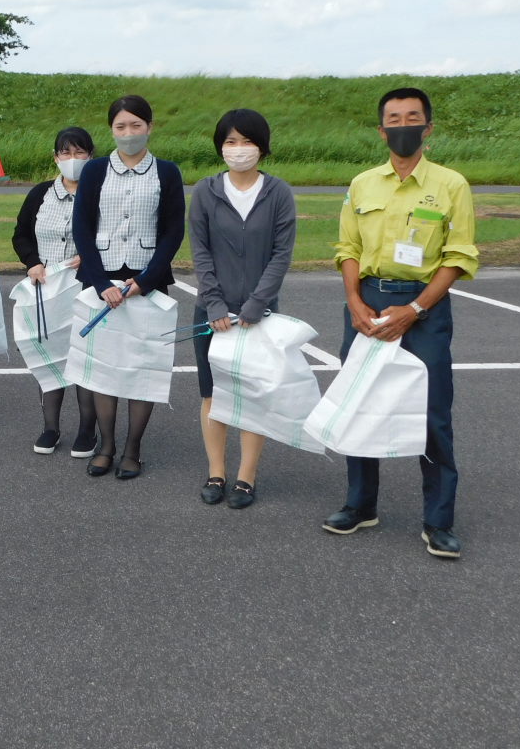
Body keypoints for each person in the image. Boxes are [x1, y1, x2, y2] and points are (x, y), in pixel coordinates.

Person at [324, 87, 477, 560]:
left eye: (413, 117)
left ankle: (438, 521)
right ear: (382, 129)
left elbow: (458, 256)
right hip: (368, 302)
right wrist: (353, 300)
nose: (403, 125)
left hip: (422, 308)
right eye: (394, 118)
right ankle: (360, 505)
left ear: (427, 128)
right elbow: (347, 249)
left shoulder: (451, 185)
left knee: (432, 414)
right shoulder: (362, 184)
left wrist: (416, 310)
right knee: (361, 403)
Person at [187, 109, 297, 509]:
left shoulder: (279, 193)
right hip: (210, 312)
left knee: (253, 393)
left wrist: (255, 305)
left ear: (262, 147)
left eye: (246, 141)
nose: (238, 149)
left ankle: (246, 478)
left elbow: (281, 255)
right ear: (220, 147)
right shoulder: (205, 191)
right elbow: (200, 252)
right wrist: (214, 302)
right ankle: (216, 472)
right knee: (213, 394)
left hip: (259, 316)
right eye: (230, 141)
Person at [72, 95, 185, 479]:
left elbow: (173, 230)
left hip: (148, 282)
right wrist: (101, 281)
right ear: (112, 130)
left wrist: (148, 278)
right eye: (121, 126)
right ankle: (106, 445)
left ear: (149, 127)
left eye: (136, 125)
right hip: (100, 281)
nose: (129, 133)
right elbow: (82, 228)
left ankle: (133, 448)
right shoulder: (94, 171)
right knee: (103, 366)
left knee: (143, 364)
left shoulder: (167, 172)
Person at [11, 126, 98, 458]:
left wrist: (89, 258)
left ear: (91, 156)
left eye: (79, 153)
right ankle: (51, 427)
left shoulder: (99, 193)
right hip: (45, 287)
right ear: (55, 157)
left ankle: (88, 431)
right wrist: (32, 262)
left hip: (85, 286)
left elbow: (109, 238)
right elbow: (20, 235)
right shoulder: (40, 193)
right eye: (66, 153)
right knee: (50, 356)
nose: (72, 159)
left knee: (84, 358)